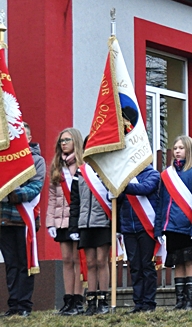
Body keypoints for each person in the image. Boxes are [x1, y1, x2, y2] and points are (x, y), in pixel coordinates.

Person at [0, 124, 46, 317]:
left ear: (28, 137)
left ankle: (25, 304)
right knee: (11, 264)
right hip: (4, 219)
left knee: (25, 263)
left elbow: (36, 186)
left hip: (24, 219)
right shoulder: (3, 160)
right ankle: (14, 304)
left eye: (23, 135)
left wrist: (12, 194)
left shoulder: (36, 160)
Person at [157, 135, 192, 310]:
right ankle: (180, 301)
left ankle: (190, 302)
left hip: (189, 224)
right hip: (171, 226)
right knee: (177, 261)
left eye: (181, 148)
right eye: (175, 148)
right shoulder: (167, 174)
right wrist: (159, 227)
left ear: (189, 150)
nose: (177, 151)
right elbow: (162, 203)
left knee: (190, 261)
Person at [47, 128, 86, 315]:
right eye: (61, 140)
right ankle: (68, 299)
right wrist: (50, 222)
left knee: (79, 259)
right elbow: (52, 197)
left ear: (75, 142)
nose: (63, 143)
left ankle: (79, 299)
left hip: (77, 219)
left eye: (68, 140)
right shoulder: (57, 166)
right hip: (61, 220)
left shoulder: (82, 165)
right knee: (67, 260)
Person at [69, 154, 114, 316]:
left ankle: (103, 300)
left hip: (102, 223)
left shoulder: (108, 171)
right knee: (90, 262)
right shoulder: (80, 173)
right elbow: (74, 202)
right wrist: (74, 227)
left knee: (102, 261)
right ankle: (91, 301)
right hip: (85, 224)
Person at [118, 163, 161, 313]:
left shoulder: (152, 174)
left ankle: (149, 302)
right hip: (129, 228)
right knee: (135, 267)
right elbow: (115, 198)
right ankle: (138, 303)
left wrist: (121, 185)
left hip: (146, 227)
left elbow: (144, 189)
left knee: (147, 266)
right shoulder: (124, 175)